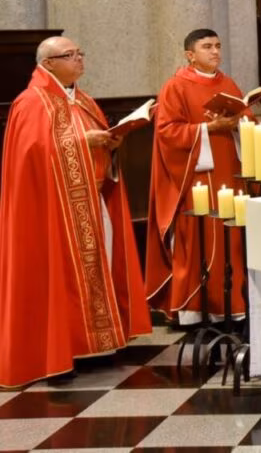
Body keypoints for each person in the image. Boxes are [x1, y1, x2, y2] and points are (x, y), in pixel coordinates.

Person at [0, 37, 151, 386]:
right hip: (52, 214)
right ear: (48, 63)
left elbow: (91, 144)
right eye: (71, 55)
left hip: (91, 201)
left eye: (81, 53)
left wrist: (111, 146)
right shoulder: (31, 103)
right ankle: (63, 350)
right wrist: (86, 142)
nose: (80, 60)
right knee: (60, 277)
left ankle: (97, 346)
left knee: (100, 265)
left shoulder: (82, 100)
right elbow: (33, 156)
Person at [146, 29, 249, 324]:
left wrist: (240, 121)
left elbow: (244, 118)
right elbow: (167, 133)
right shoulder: (175, 87)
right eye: (207, 47)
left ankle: (234, 303)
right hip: (198, 177)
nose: (215, 52)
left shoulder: (227, 83)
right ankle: (196, 309)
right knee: (200, 237)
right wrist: (207, 129)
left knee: (232, 239)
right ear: (190, 55)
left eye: (217, 45)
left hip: (230, 171)